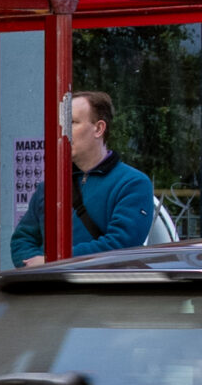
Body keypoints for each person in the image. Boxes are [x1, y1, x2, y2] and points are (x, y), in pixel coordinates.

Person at [11, 90, 156, 266]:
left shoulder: (133, 184)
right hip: (48, 288)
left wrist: (51, 263)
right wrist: (35, 266)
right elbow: (21, 240)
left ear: (99, 128)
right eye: (61, 124)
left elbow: (121, 246)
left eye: (72, 123)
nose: (63, 132)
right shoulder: (50, 186)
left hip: (99, 290)